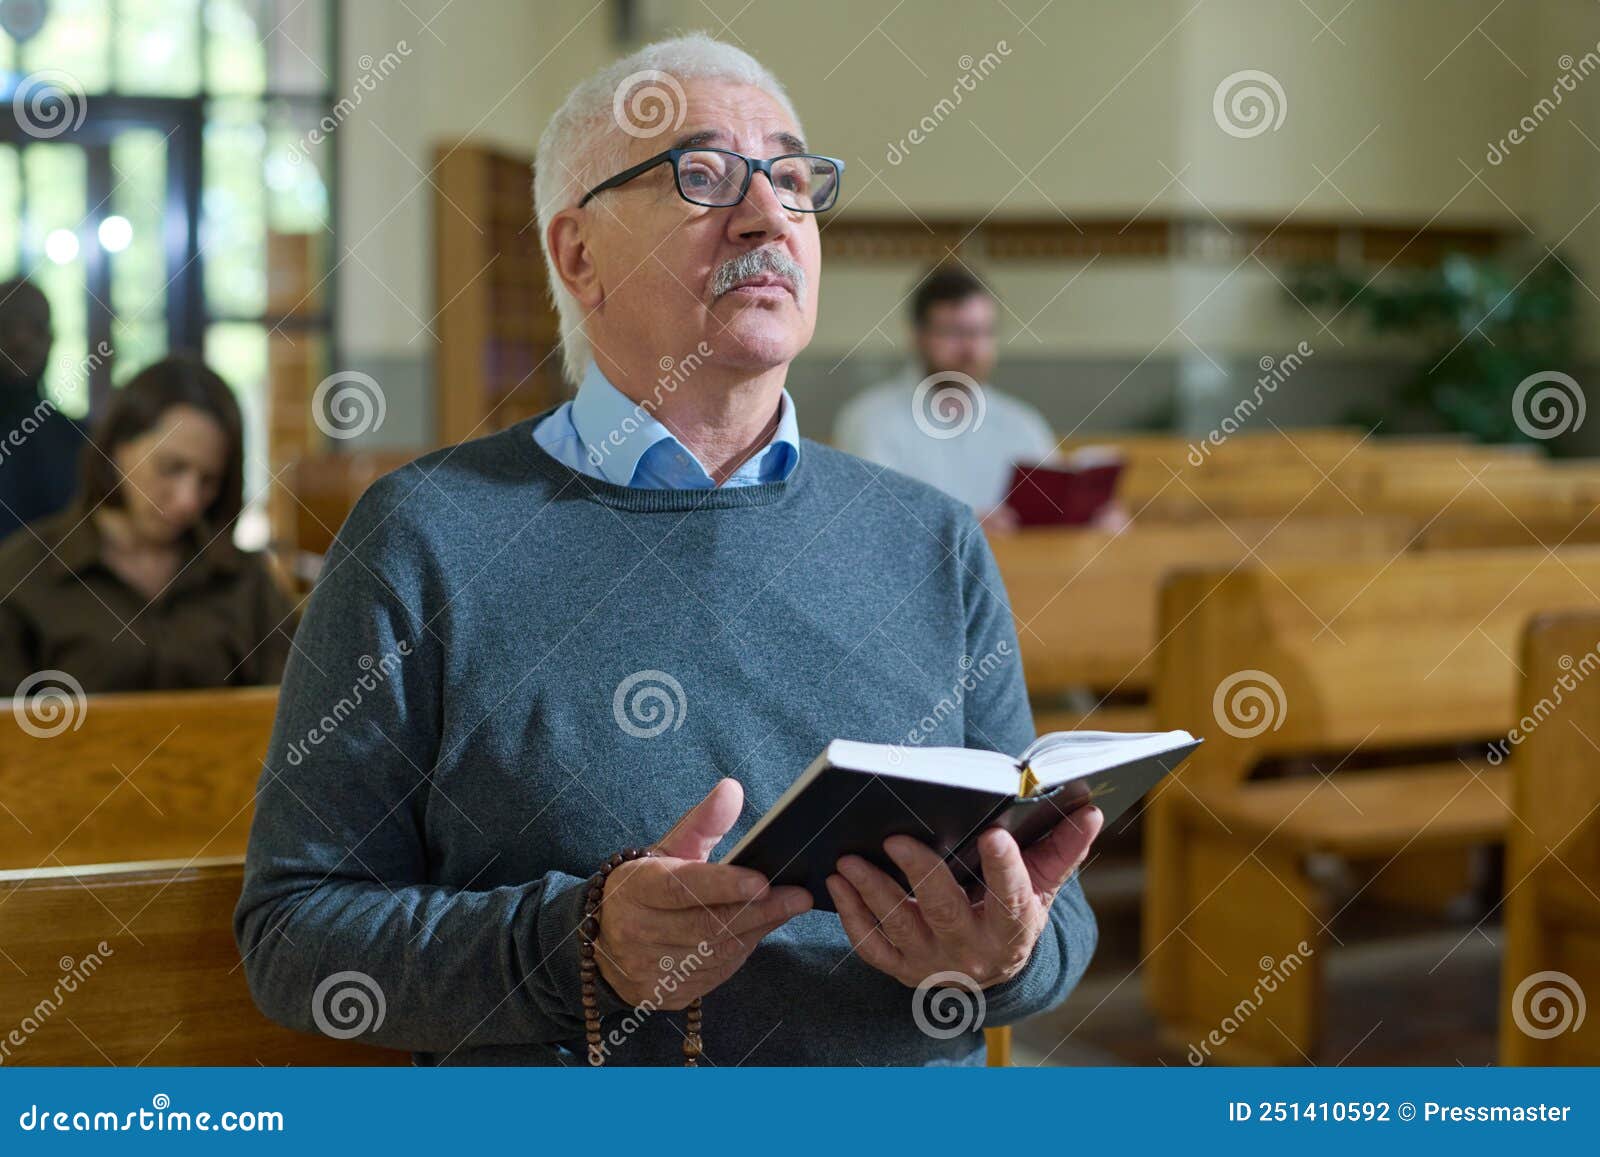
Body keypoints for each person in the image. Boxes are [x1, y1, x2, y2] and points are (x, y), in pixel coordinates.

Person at [235, 33, 1102, 1068]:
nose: (767, 214)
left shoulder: (931, 539)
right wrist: (582, 945)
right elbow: (295, 936)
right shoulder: (425, 534)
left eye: (791, 176)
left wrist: (1005, 951)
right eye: (701, 175)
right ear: (577, 254)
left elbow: (1059, 921)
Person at [0, 355, 297, 695]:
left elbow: (292, 712)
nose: (189, 500)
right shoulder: (22, 574)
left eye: (208, 480)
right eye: (171, 467)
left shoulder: (245, 581)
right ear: (115, 451)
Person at [835, 265, 1125, 533]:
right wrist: (966, 531)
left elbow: (1054, 521)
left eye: (983, 333)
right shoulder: (870, 421)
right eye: (955, 333)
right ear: (918, 336)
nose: (972, 349)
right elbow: (870, 526)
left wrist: (1090, 525)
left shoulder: (1022, 424)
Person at [0, 277, 86, 543]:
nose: (21, 340)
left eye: (35, 328)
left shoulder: (78, 441)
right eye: (6, 327)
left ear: (51, 339)